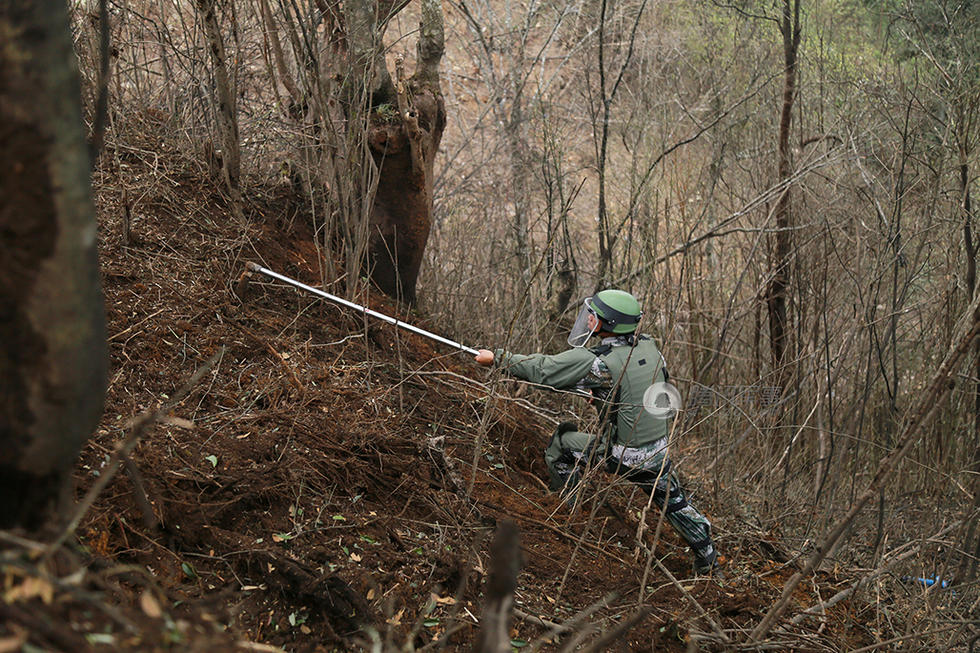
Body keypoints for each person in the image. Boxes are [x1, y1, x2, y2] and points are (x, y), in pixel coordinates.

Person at [474, 289, 720, 575]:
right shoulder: (651, 348)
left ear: (608, 324)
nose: (589, 318)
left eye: (594, 316)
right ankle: (709, 562)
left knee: (561, 445)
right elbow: (642, 389)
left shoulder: (598, 362)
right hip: (659, 450)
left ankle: (567, 512)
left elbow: (544, 369)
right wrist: (605, 398)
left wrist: (497, 359)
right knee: (676, 505)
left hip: (624, 454)